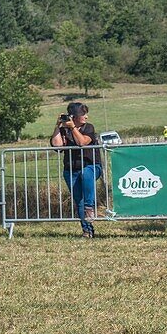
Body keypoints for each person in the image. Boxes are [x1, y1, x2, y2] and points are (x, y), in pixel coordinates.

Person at [50, 101, 102, 238]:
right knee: (78, 200)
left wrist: (73, 128)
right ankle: (87, 230)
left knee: (86, 175)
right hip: (71, 170)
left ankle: (89, 207)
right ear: (74, 116)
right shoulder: (64, 130)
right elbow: (57, 146)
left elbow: (82, 143)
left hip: (91, 166)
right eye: (83, 114)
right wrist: (58, 126)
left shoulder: (89, 127)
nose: (86, 117)